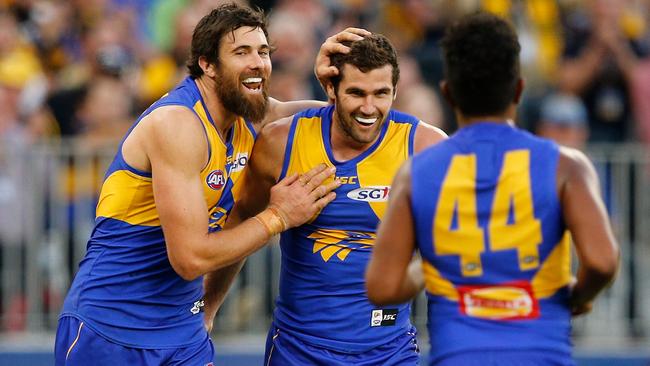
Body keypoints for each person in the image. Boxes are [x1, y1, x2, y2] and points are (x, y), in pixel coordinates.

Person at [54, 3, 368, 365]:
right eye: (242, 52)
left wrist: (338, 88)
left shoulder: (248, 113)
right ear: (207, 64)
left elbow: (328, 119)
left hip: (182, 330)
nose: (258, 63)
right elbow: (190, 258)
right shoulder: (177, 124)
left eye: (263, 52)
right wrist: (279, 216)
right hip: (112, 329)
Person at [366, 12, 620, 366]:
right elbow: (603, 261)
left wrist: (429, 266)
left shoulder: (416, 173)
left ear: (448, 93)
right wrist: (579, 296)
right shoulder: (566, 165)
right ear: (519, 89)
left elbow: (381, 288)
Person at [231, 33, 446, 365]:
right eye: (356, 93)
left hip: (389, 351)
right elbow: (240, 224)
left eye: (381, 94)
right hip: (298, 349)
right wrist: (207, 308)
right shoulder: (281, 142)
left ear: (396, 91)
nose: (368, 107)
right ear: (330, 89)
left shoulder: (425, 148)